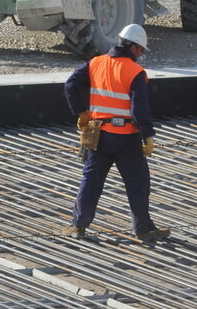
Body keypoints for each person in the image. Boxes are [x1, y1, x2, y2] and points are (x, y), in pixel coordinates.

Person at [63, 23, 170, 242]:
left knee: (91, 180)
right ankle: (143, 229)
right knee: (137, 183)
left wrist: (81, 112)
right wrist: (147, 135)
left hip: (99, 135)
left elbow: (70, 85)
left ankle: (78, 226)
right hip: (126, 137)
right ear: (133, 47)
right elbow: (139, 108)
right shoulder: (135, 72)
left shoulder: (95, 63)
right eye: (141, 50)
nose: (141, 55)